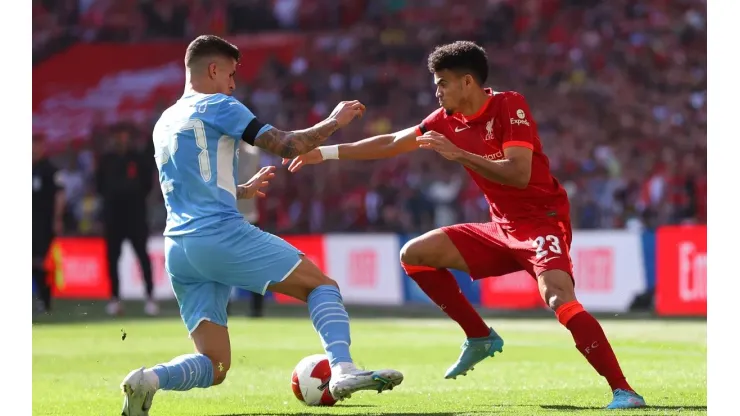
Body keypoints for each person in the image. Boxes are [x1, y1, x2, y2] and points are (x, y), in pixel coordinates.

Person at [285, 40, 645, 410]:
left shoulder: (509, 105)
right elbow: (393, 141)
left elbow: (519, 174)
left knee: (558, 298)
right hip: (500, 228)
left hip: (542, 224)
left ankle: (624, 391)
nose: (436, 91)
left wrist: (460, 154)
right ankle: (479, 336)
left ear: (468, 82)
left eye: (442, 82)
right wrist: (324, 153)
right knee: (415, 254)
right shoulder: (445, 121)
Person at [119, 35, 402, 416]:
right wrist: (335, 121)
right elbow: (286, 144)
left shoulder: (165, 121)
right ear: (214, 70)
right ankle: (342, 369)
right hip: (219, 233)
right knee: (321, 286)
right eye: (231, 74)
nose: (234, 84)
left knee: (215, 365)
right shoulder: (220, 104)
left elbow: (186, 183)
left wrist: (236, 189)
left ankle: (149, 379)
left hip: (179, 248)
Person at [96, 125, 158, 316]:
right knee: (112, 259)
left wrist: (134, 198)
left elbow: (148, 184)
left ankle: (150, 297)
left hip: (135, 216)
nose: (121, 140)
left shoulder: (138, 159)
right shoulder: (106, 160)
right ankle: (115, 299)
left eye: (125, 136)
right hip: (113, 218)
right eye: (118, 136)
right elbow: (100, 186)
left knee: (142, 256)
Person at [32, 135, 65, 313]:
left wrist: (57, 219)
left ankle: (45, 299)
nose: (34, 149)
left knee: (40, 262)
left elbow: (60, 195)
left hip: (43, 223)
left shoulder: (50, 170)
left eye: (37, 145)